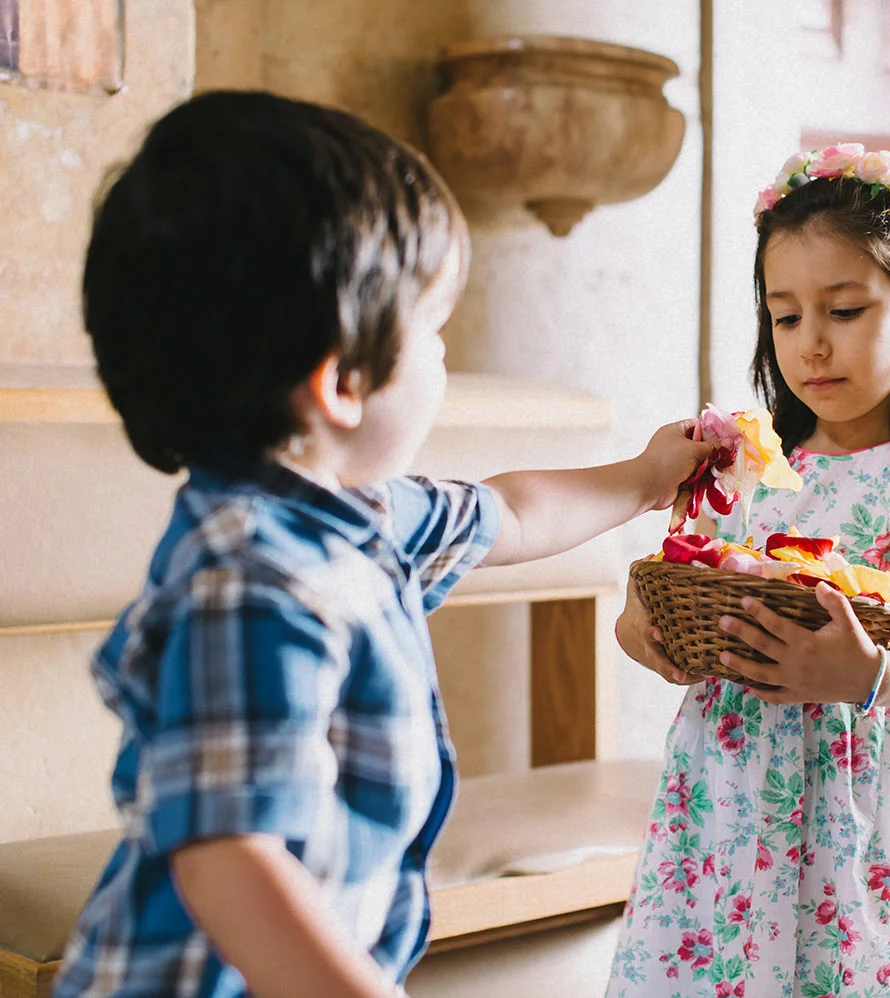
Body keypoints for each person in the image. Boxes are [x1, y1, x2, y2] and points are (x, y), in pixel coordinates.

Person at [51, 89, 710, 998]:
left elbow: (510, 513)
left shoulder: (356, 517)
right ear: (342, 385)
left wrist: (644, 478)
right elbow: (226, 859)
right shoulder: (250, 578)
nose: (442, 356)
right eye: (431, 331)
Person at [609, 144, 890, 997]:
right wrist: (643, 630)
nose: (813, 346)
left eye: (847, 310)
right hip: (730, 782)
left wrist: (871, 672)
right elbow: (671, 585)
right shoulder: (745, 464)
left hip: (866, 786)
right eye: (786, 318)